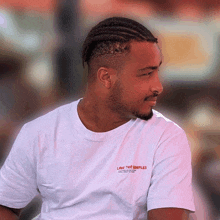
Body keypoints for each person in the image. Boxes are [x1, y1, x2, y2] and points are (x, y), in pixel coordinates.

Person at [0, 17, 195, 220]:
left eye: (157, 71)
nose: (158, 86)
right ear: (106, 77)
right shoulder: (40, 133)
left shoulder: (166, 137)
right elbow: (5, 205)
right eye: (146, 74)